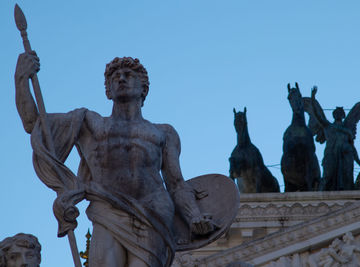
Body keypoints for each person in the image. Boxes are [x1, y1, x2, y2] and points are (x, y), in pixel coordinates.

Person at [15, 52, 216, 267]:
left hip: (153, 212)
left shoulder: (163, 133)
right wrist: (21, 78)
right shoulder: (89, 123)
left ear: (143, 89)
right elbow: (33, 124)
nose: (121, 78)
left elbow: (176, 183)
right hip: (107, 207)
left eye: (128, 75)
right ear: (108, 91)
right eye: (115, 77)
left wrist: (194, 216)